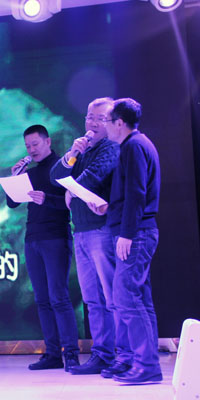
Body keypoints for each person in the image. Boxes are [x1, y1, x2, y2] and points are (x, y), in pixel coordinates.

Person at [50, 98, 133, 377]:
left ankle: (124, 355)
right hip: (82, 232)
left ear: (112, 122)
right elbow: (55, 176)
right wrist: (72, 153)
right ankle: (102, 354)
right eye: (89, 117)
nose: (92, 123)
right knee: (92, 299)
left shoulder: (111, 147)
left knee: (112, 297)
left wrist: (71, 190)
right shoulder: (82, 149)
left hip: (103, 230)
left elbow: (95, 176)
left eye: (100, 118)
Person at [88, 98, 162, 384]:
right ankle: (146, 362)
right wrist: (109, 208)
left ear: (119, 123)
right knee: (139, 298)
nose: (104, 126)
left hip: (136, 233)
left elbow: (137, 194)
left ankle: (146, 365)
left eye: (107, 121)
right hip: (138, 229)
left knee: (125, 296)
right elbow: (131, 194)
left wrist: (127, 233)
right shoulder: (138, 144)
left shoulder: (133, 146)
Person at [7, 125, 80, 371]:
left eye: (35, 144)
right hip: (33, 238)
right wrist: (15, 177)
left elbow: (72, 201)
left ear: (48, 141)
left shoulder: (62, 166)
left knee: (58, 296)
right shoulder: (31, 172)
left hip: (55, 237)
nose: (31, 150)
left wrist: (47, 199)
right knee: (41, 299)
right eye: (27, 146)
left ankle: (71, 353)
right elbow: (12, 202)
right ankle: (52, 353)